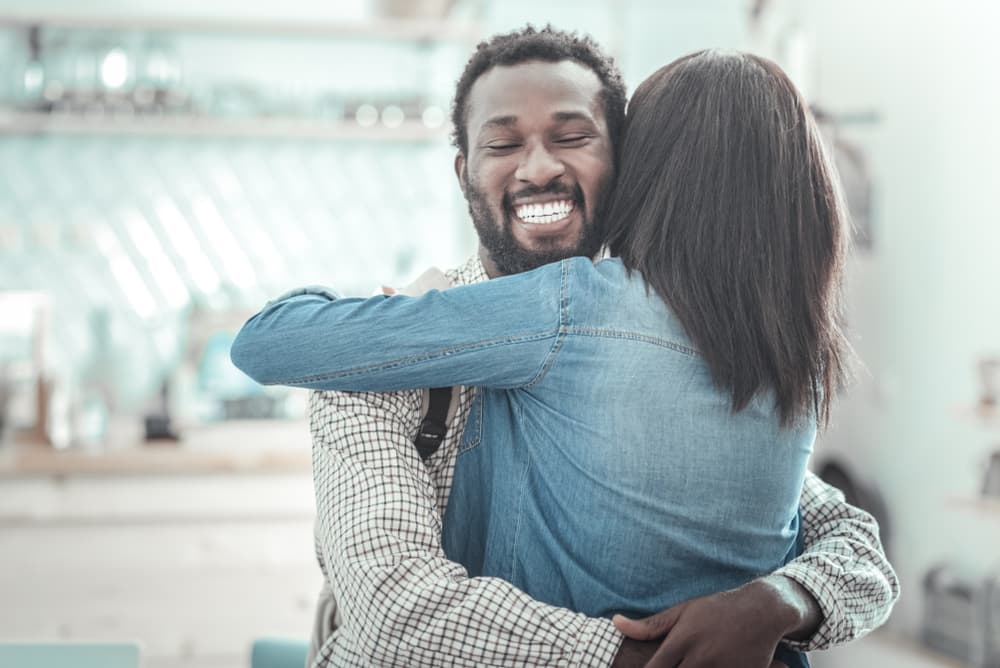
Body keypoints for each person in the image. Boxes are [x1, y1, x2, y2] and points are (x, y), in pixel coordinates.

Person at [233, 28, 899, 668]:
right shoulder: (375, 364)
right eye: (504, 143)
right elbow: (396, 615)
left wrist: (778, 599)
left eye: (574, 137)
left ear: (629, 165)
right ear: (464, 172)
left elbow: (850, 544)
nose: (542, 166)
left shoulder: (612, 321)